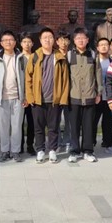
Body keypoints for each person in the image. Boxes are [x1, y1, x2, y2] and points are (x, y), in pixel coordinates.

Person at [25, 28, 70, 164]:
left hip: (54, 100)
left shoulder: (59, 57)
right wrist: (30, 97)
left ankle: (52, 150)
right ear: (40, 40)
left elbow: (65, 80)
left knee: (53, 127)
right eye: (45, 37)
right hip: (38, 100)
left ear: (54, 40)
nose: (47, 40)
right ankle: (40, 150)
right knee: (38, 127)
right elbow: (28, 78)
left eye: (50, 37)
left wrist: (63, 98)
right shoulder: (34, 56)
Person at [0, 31, 27, 163]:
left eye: (11, 40)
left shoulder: (21, 58)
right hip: (2, 98)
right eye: (5, 40)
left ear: (15, 42)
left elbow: (26, 79)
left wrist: (25, 96)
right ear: (1, 43)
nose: (8, 42)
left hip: (18, 97)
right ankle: (5, 151)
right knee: (3, 126)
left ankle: (15, 151)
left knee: (17, 126)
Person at [67, 28, 102, 163]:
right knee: (74, 126)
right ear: (74, 40)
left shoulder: (93, 55)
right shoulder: (69, 55)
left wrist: (99, 92)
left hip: (89, 96)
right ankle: (74, 151)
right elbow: (66, 77)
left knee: (88, 126)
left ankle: (88, 151)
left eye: (83, 38)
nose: (81, 40)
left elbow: (98, 74)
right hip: (74, 96)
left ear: (87, 40)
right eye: (78, 38)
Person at [93, 38, 112, 153]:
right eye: (101, 45)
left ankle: (107, 143)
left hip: (109, 97)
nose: (104, 47)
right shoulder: (94, 61)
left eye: (106, 44)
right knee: (93, 121)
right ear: (97, 47)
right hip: (96, 96)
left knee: (108, 122)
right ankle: (91, 142)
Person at [19, 33, 35, 155]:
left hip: (33, 95)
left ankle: (30, 145)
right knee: (19, 122)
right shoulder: (18, 58)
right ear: (20, 43)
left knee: (32, 122)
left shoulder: (36, 57)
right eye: (24, 42)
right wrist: (23, 95)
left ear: (32, 44)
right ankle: (19, 145)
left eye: (29, 42)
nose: (27, 44)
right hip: (20, 95)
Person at [56, 30, 72, 152]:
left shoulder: (72, 55)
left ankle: (67, 141)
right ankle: (57, 142)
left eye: (66, 40)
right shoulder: (53, 55)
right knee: (55, 119)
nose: (64, 42)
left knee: (69, 120)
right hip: (56, 92)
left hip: (71, 92)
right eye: (61, 40)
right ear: (57, 42)